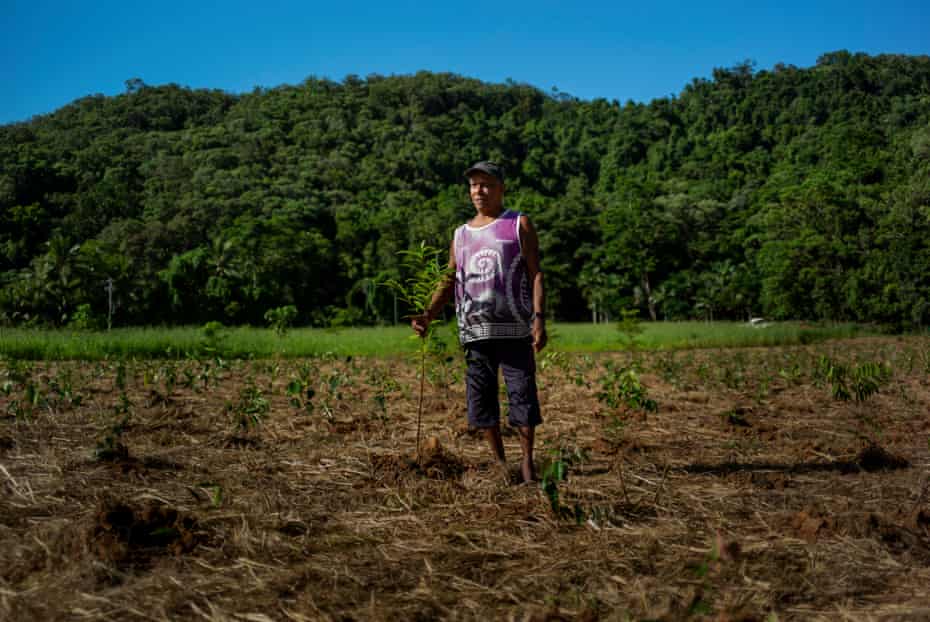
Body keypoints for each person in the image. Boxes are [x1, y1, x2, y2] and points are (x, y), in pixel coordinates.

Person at [411, 161, 547, 483]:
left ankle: (527, 462)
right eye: (474, 185)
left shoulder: (518, 224)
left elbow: (535, 272)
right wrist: (428, 314)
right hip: (474, 331)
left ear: (501, 188)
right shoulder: (460, 235)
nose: (478, 191)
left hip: (515, 327)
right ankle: (501, 464)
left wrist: (539, 318)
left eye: (486, 184)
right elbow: (449, 279)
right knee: (483, 400)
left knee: (522, 395)